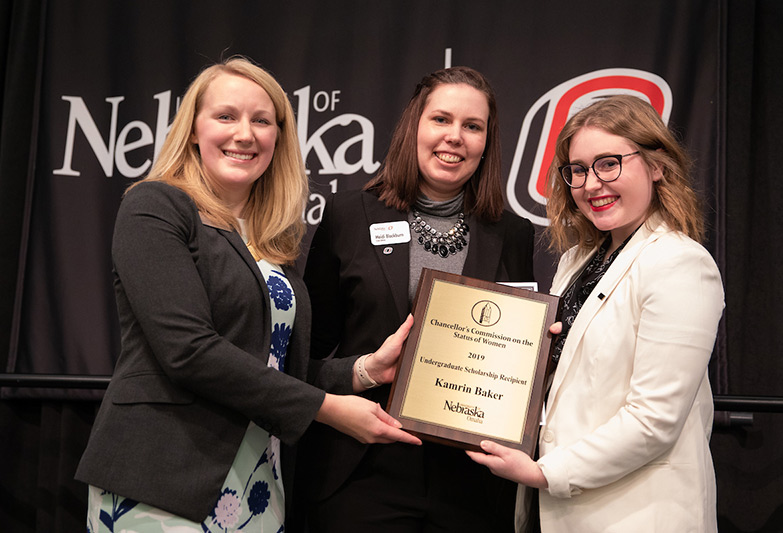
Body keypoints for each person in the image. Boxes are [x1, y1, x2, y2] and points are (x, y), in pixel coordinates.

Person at [75, 56, 421, 532]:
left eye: (262, 120)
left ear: (278, 138)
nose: (245, 134)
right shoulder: (155, 206)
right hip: (163, 479)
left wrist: (364, 371)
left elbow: (273, 366)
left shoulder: (271, 241)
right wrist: (328, 410)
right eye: (226, 116)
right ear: (193, 129)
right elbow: (189, 351)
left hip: (259, 482)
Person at [466, 95, 725, 532]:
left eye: (609, 164)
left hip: (637, 514)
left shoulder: (680, 263)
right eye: (579, 170)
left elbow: (653, 421)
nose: (591, 184)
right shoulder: (578, 260)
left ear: (657, 165)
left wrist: (546, 472)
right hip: (561, 512)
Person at [298, 66, 536, 531]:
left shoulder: (512, 233)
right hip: (362, 472)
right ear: (415, 125)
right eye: (441, 120)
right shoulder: (348, 216)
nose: (455, 137)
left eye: (472, 126)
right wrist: (363, 371)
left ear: (488, 141)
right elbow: (301, 360)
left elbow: (512, 360)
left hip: (471, 482)